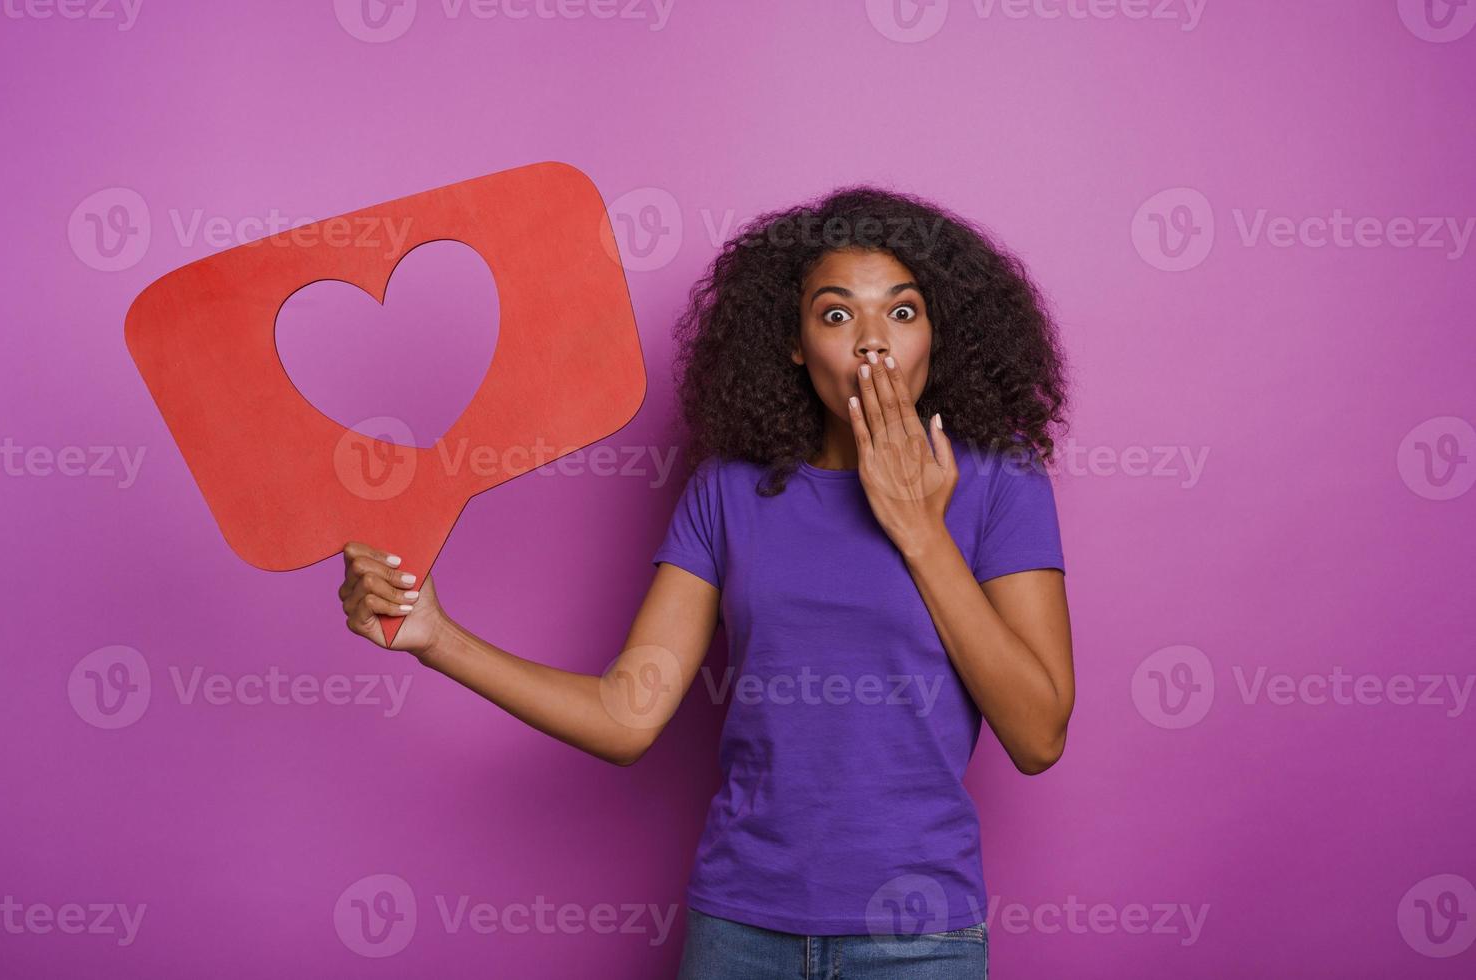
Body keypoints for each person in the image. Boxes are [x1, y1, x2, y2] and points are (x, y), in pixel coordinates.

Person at [336, 185, 1074, 978]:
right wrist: (436, 639)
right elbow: (626, 716)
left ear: (936, 332)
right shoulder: (730, 490)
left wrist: (920, 530)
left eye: (900, 312)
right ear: (793, 343)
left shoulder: (1001, 482)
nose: (870, 344)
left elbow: (1037, 737)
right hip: (741, 929)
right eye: (834, 314)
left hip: (918, 936)